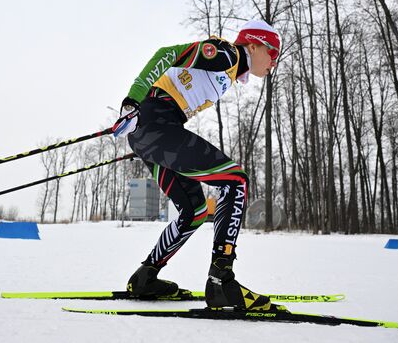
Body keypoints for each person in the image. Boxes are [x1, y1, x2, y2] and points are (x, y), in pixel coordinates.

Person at [113, 20, 281, 311]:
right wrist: (132, 103)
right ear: (253, 45)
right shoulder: (227, 55)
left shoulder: (230, 70)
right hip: (154, 125)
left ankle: (146, 277)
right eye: (273, 53)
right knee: (236, 181)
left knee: (195, 211)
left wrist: (144, 136)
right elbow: (167, 54)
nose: (273, 63)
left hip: (152, 133)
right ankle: (221, 282)